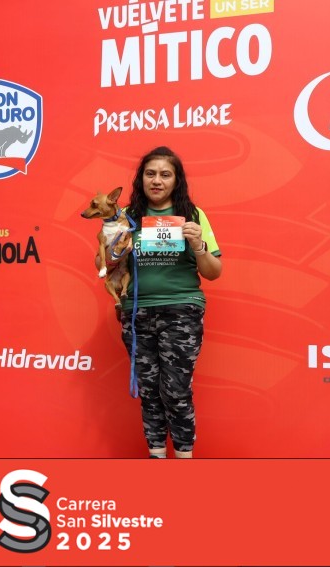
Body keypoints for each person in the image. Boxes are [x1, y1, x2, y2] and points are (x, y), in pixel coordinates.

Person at [120, 146, 222, 459]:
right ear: (141, 178)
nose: (157, 180)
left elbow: (214, 272)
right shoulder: (127, 217)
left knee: (175, 390)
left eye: (165, 174)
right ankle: (157, 456)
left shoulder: (193, 215)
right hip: (137, 312)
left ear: (177, 180)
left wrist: (199, 244)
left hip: (181, 309)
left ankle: (183, 458)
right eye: (150, 173)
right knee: (149, 391)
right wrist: (115, 250)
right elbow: (108, 268)